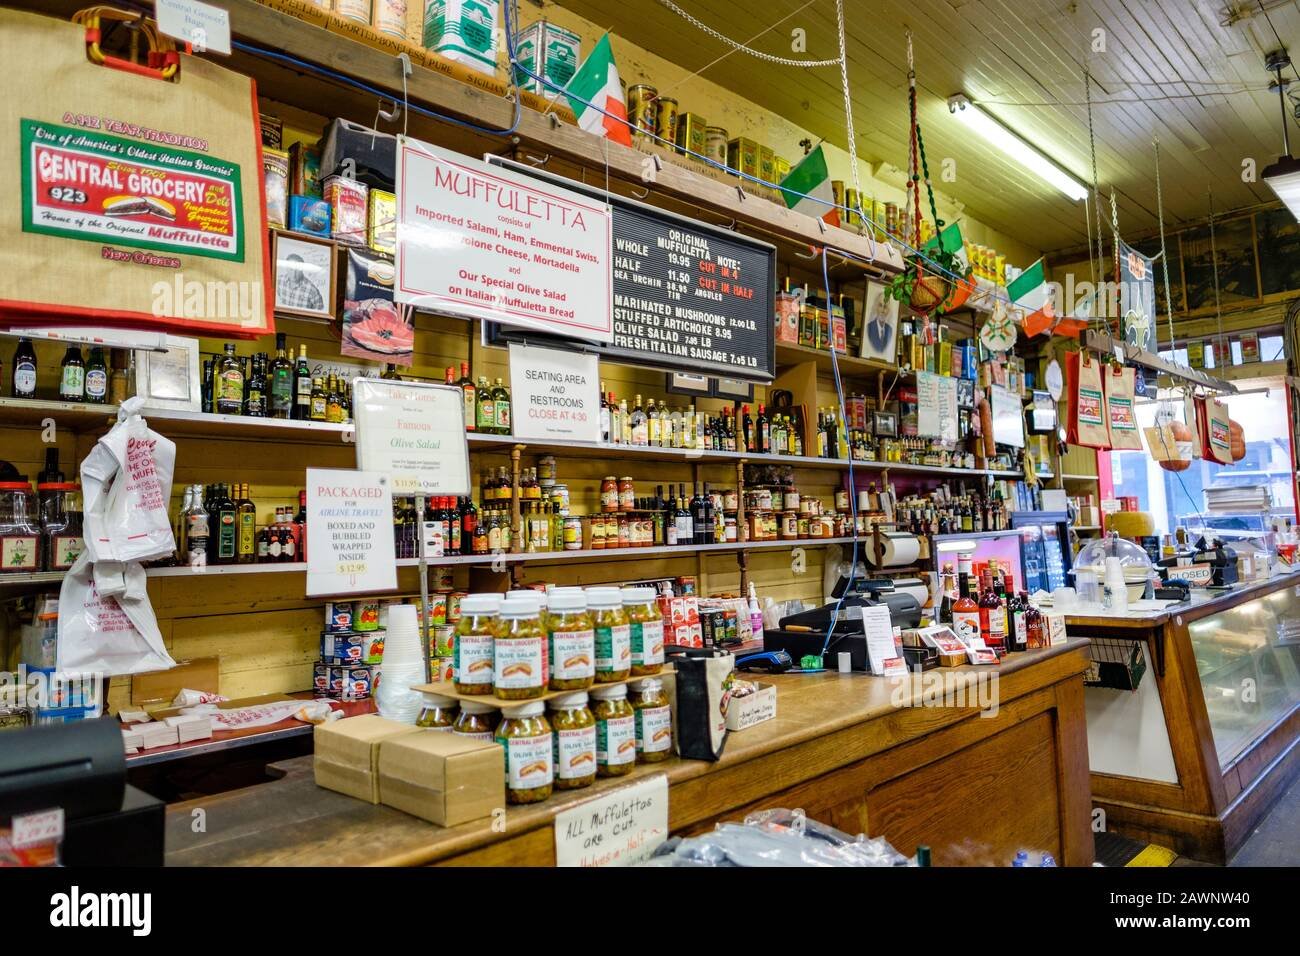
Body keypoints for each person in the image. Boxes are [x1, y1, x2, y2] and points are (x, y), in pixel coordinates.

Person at [865, 293, 896, 360]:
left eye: (885, 307)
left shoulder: (890, 330)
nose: (882, 310)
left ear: (888, 310)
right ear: (876, 307)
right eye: (880, 305)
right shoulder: (869, 327)